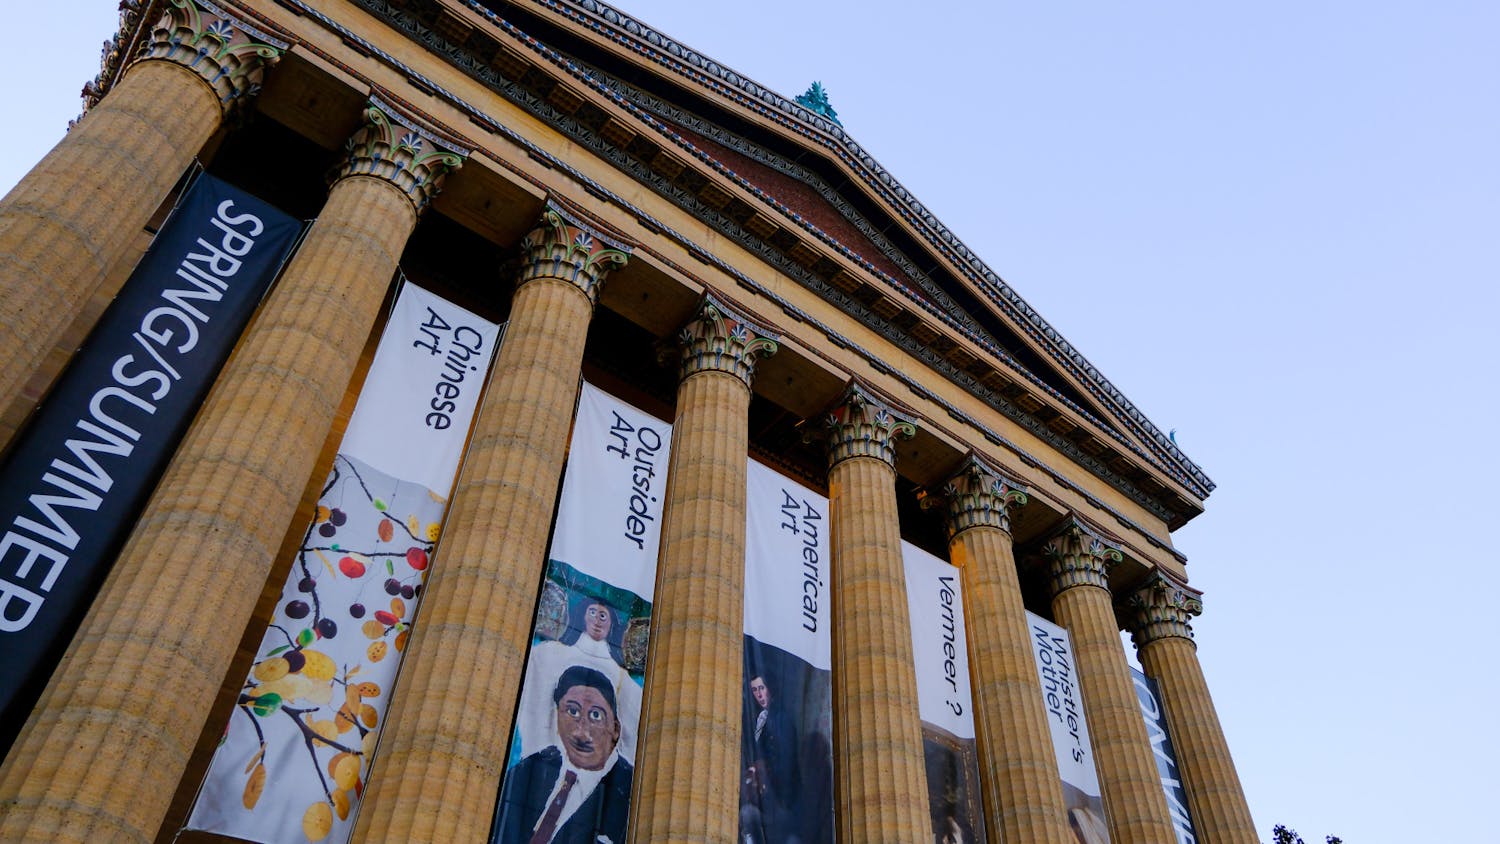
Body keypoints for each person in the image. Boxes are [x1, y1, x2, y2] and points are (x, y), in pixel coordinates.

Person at [497, 666, 634, 844]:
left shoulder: (630, 790)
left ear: (615, 729)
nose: (581, 733)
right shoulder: (530, 767)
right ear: (557, 715)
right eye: (572, 712)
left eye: (595, 715)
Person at [518, 596, 643, 763]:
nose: (597, 621)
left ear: (612, 624)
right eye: (592, 613)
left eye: (603, 616)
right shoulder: (552, 652)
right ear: (582, 616)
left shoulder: (621, 677)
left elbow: (633, 722)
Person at [740, 674, 799, 843]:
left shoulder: (781, 719)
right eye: (754, 690)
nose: (759, 694)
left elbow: (785, 760)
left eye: (761, 688)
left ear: (769, 689)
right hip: (759, 795)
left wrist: (763, 769)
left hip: (778, 799)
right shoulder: (757, 719)